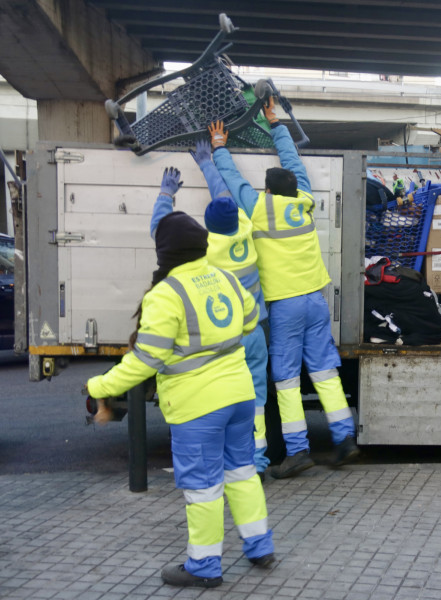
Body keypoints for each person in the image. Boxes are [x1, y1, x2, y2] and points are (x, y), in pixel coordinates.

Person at [86, 169, 274, 588]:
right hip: (240, 396)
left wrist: (99, 387)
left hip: (198, 407)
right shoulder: (224, 276)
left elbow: (144, 361)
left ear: (164, 254)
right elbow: (249, 322)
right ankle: (260, 546)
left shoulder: (165, 295)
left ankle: (204, 567)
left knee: (203, 489)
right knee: (241, 473)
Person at [208, 97, 359, 479]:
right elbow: (294, 164)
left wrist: (219, 147)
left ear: (269, 192)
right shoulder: (305, 201)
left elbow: (232, 180)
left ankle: (297, 451)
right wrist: (276, 123)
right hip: (316, 300)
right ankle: (345, 439)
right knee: (325, 371)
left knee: (287, 379)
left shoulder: (259, 208)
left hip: (286, 306)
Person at [149, 142, 271, 481]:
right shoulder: (246, 230)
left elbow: (160, 232)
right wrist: (208, 163)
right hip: (256, 334)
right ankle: (256, 463)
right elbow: (224, 196)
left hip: (225, 339)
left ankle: (221, 464)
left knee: (219, 400)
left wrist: (166, 194)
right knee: (255, 400)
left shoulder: (206, 250)